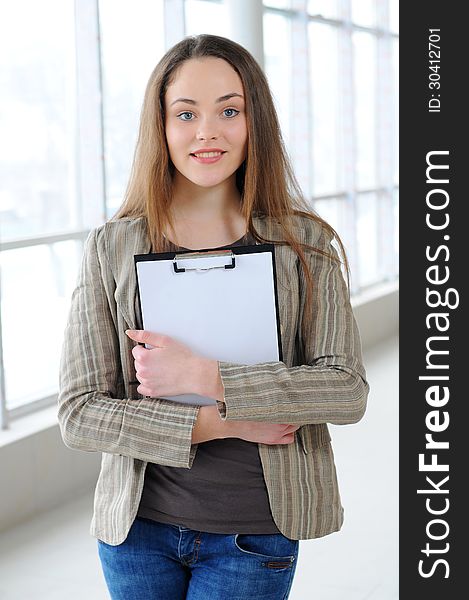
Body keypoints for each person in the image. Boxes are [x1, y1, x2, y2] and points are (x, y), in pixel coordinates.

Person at [58, 33, 369, 600]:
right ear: (162, 127)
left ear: (257, 123)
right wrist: (222, 422)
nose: (207, 132)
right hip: (136, 535)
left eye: (230, 110)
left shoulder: (306, 247)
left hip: (252, 535)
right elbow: (79, 413)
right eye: (186, 113)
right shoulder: (112, 247)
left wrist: (206, 377)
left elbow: (346, 392)